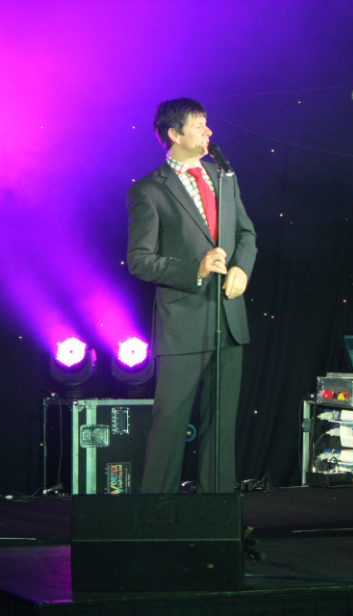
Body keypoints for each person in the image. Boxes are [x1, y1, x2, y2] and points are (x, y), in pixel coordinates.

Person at [126, 98, 257, 493]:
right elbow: (139, 261)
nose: (208, 132)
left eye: (207, 124)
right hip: (182, 322)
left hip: (228, 318)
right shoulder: (149, 190)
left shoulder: (223, 176)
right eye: (199, 125)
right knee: (170, 423)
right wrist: (194, 271)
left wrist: (241, 268)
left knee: (222, 425)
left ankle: (216, 512)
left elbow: (246, 234)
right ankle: (155, 514)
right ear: (175, 134)